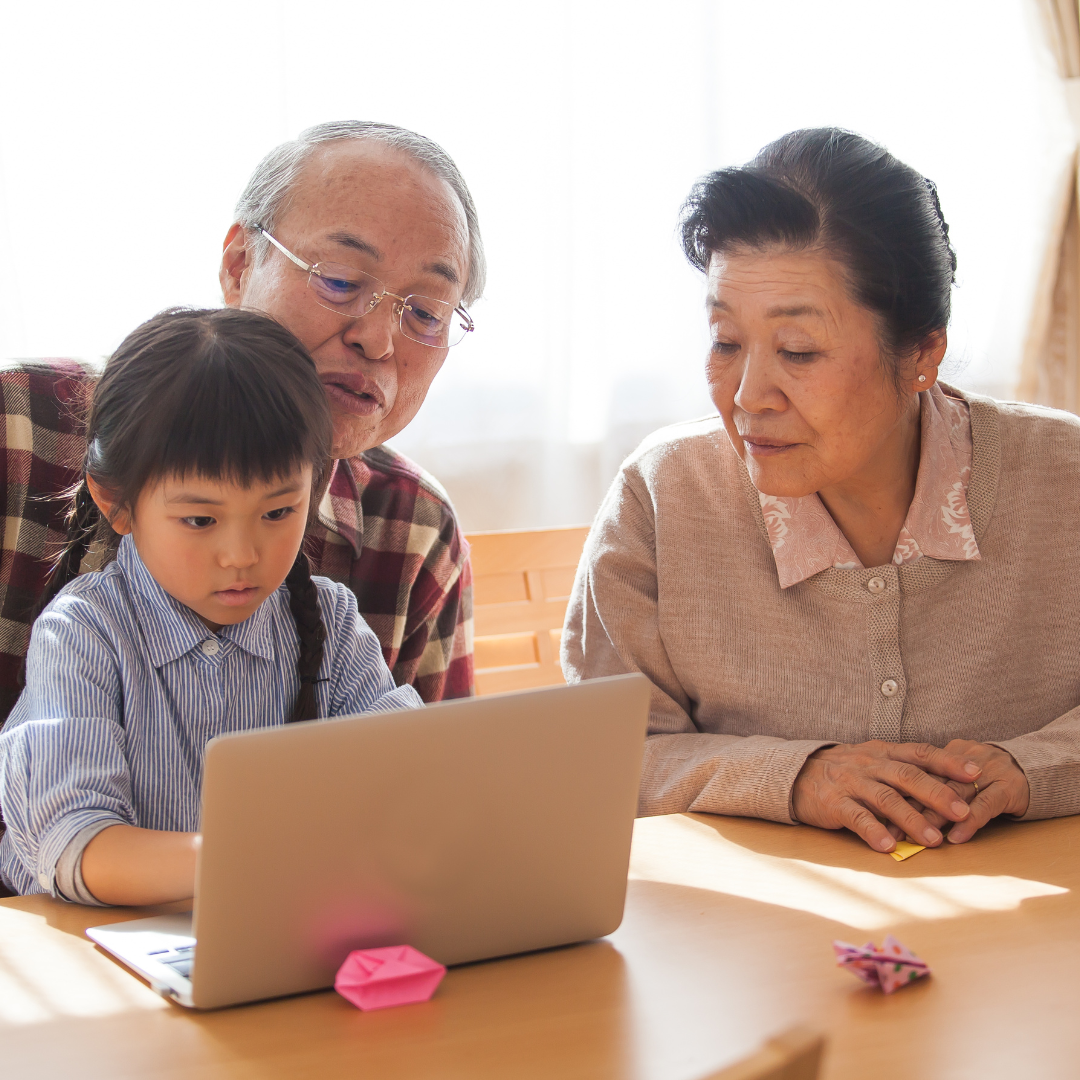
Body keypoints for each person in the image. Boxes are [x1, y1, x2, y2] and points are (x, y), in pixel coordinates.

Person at [563, 128, 1080, 855]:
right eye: (725, 340)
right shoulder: (662, 495)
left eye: (798, 351)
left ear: (923, 352)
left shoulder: (1066, 476)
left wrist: (1039, 767)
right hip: (756, 943)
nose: (747, 397)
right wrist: (793, 777)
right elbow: (599, 758)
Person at [0, 120, 482, 718]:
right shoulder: (18, 427)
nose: (378, 340)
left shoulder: (414, 528)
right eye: (339, 280)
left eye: (427, 312)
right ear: (237, 265)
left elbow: (432, 786)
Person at [0, 308, 422, 905]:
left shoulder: (331, 627)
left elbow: (413, 782)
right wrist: (250, 860)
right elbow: (75, 843)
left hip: (278, 939)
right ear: (117, 503)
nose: (241, 555)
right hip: (105, 958)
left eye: (278, 512)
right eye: (200, 520)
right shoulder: (85, 633)